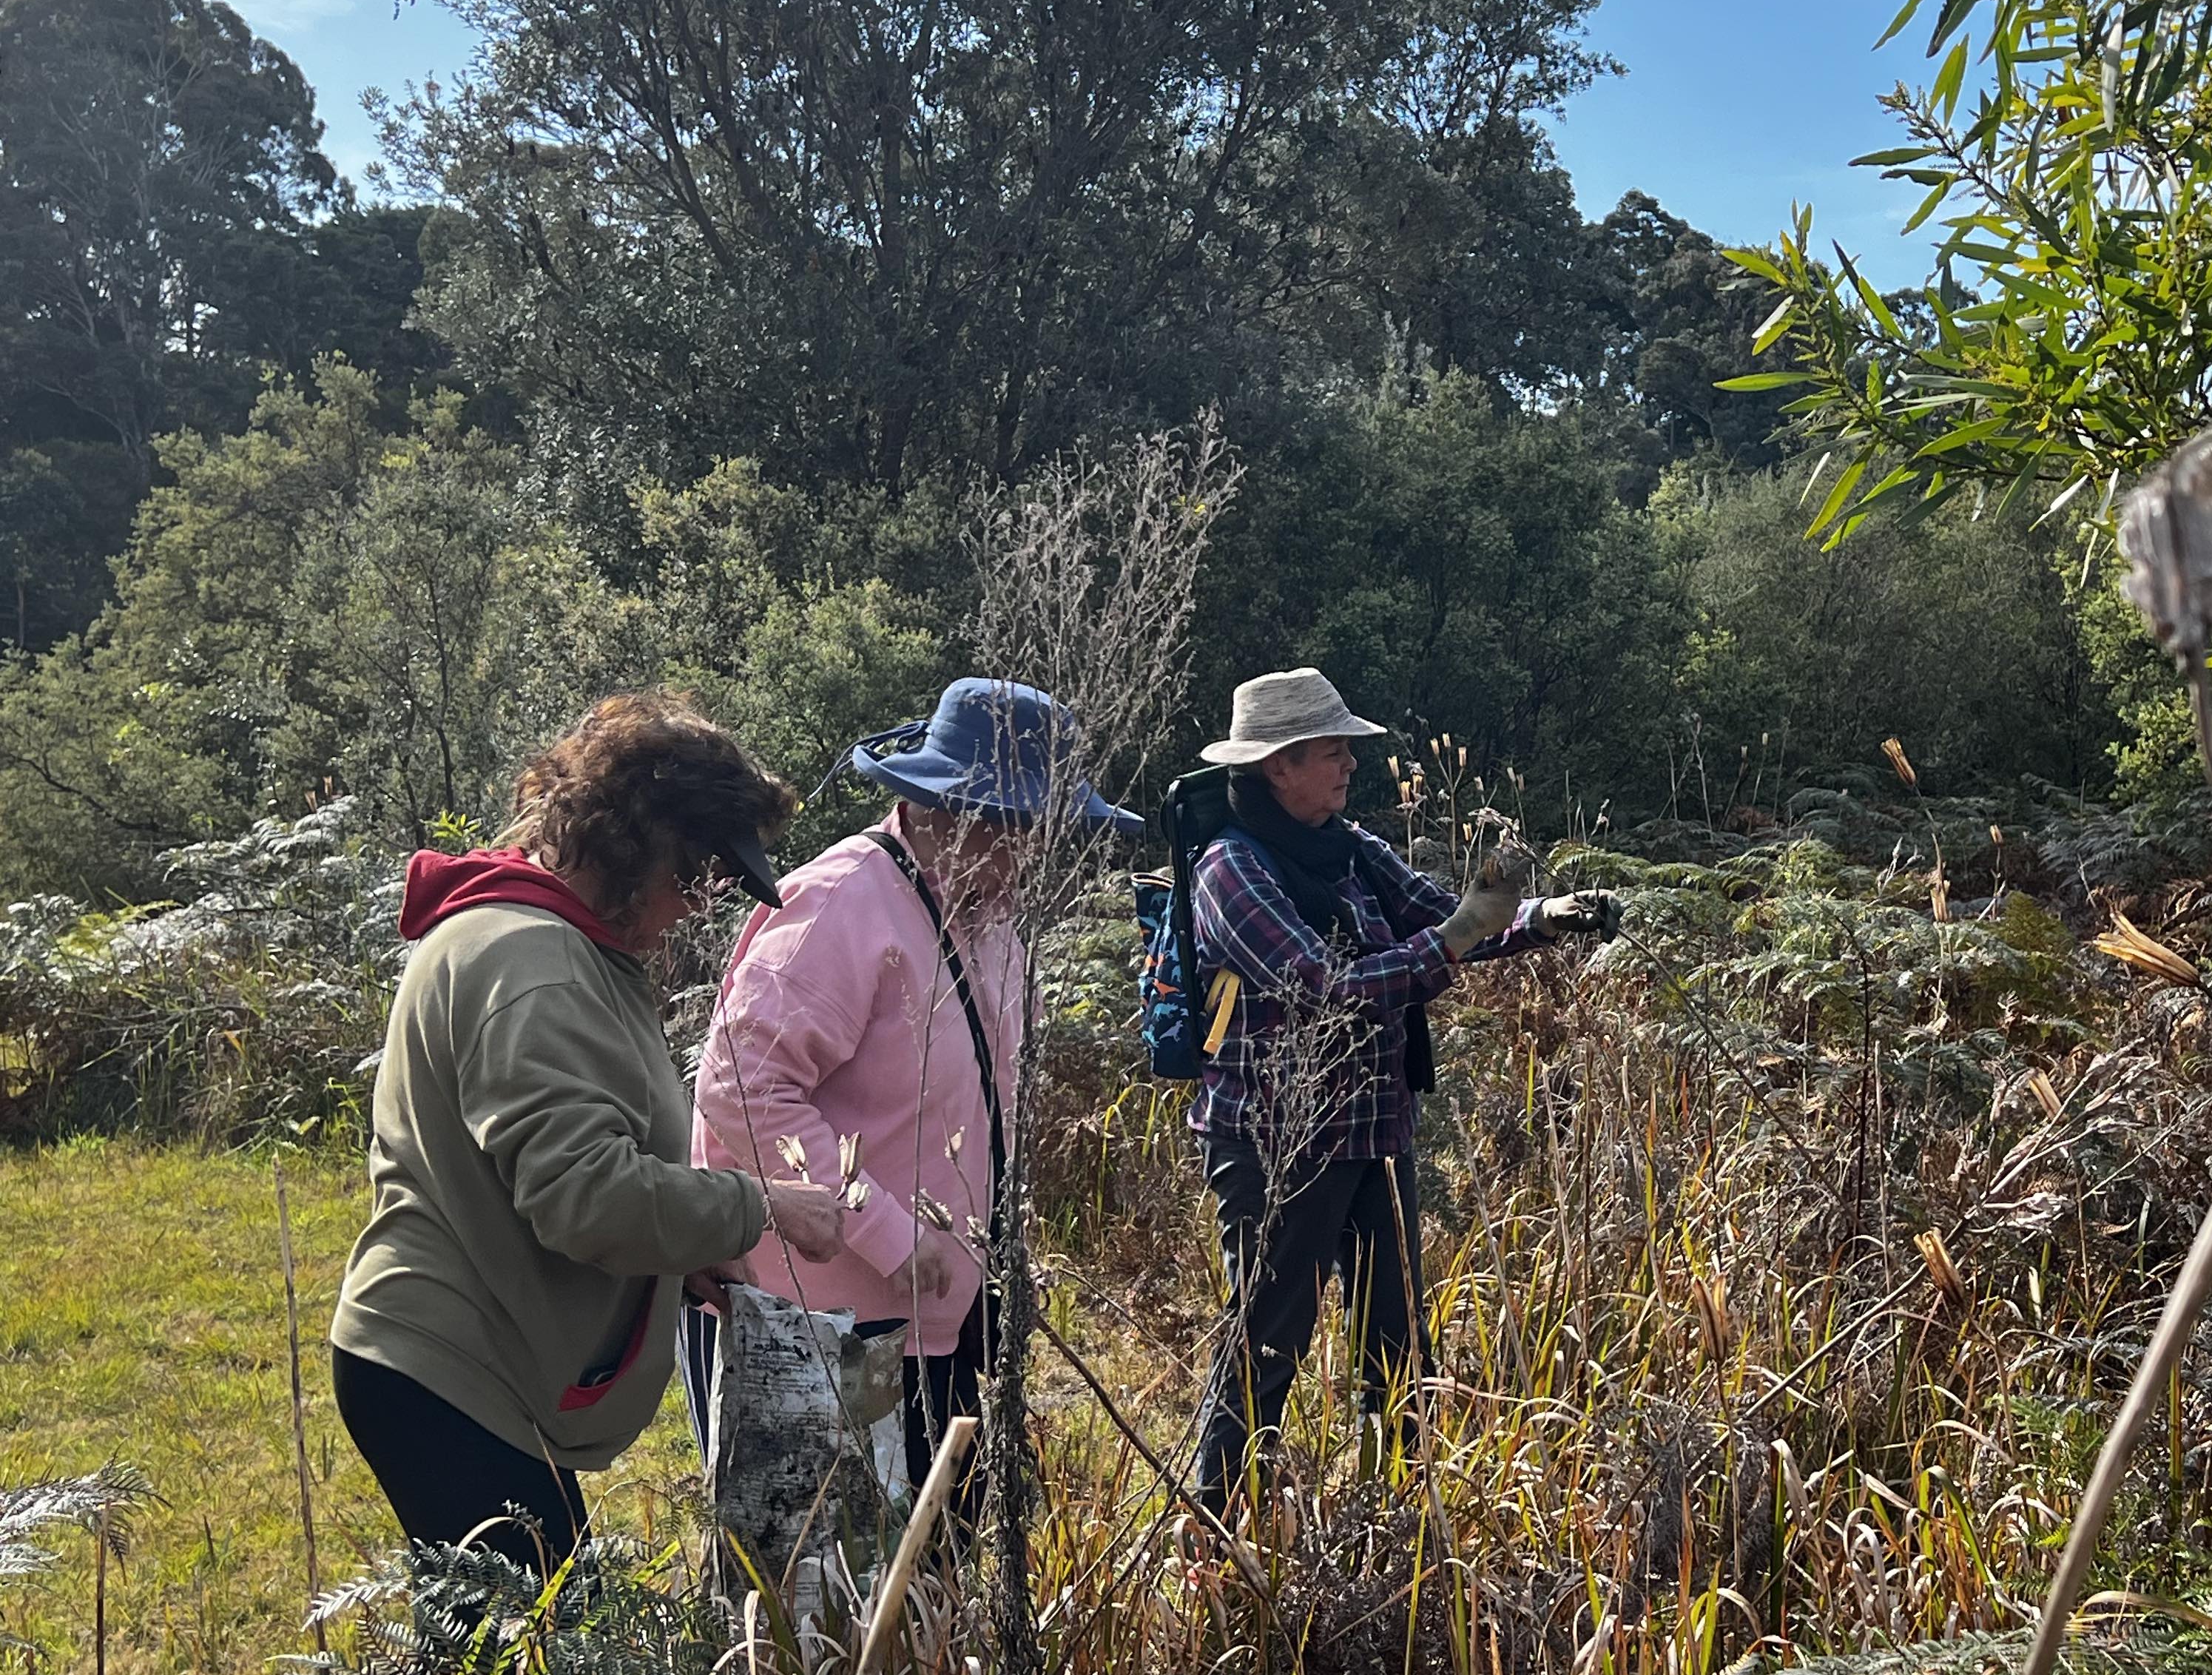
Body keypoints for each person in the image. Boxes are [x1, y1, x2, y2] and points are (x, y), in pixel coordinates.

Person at [331, 692, 850, 1573]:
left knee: (507, 1668)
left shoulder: (559, 945)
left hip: (467, 1368)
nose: (699, 907)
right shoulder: (531, 961)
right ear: (626, 838)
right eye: (695, 876)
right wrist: (758, 1206)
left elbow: (577, 1156)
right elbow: (585, 1198)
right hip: (450, 1369)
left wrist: (688, 1259)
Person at [688, 679, 1140, 1500]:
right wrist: (892, 1234)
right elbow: (745, 1092)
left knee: (937, 1561)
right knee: (835, 1575)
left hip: (943, 1311)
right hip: (833, 1324)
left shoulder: (983, 915)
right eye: (1029, 829)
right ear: (965, 815)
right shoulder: (842, 905)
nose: (1037, 852)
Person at [1187, 667, 1616, 1515]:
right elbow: (1322, 984)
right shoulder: (1228, 870)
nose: (1351, 764)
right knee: (1269, 1342)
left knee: (1397, 1341)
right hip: (1277, 1142)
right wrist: (1456, 936)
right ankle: (1219, 1529)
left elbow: (1448, 919)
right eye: (1332, 750)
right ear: (1277, 765)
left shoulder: (1351, 849)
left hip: (1374, 1133)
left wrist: (1545, 916)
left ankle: (1396, 1522)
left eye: (1349, 749)